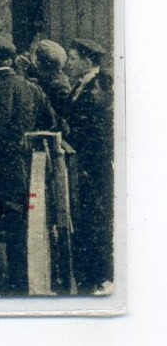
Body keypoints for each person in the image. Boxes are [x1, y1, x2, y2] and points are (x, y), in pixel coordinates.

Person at [0, 32, 56, 295]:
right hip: (22, 175)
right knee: (18, 239)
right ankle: (19, 295)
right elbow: (55, 125)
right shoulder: (31, 88)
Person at [65, 38, 114, 294]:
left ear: (87, 61)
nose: (68, 63)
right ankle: (90, 276)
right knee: (87, 217)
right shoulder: (82, 83)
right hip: (84, 163)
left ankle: (100, 277)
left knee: (95, 217)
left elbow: (97, 132)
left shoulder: (99, 87)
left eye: (72, 59)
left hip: (92, 164)